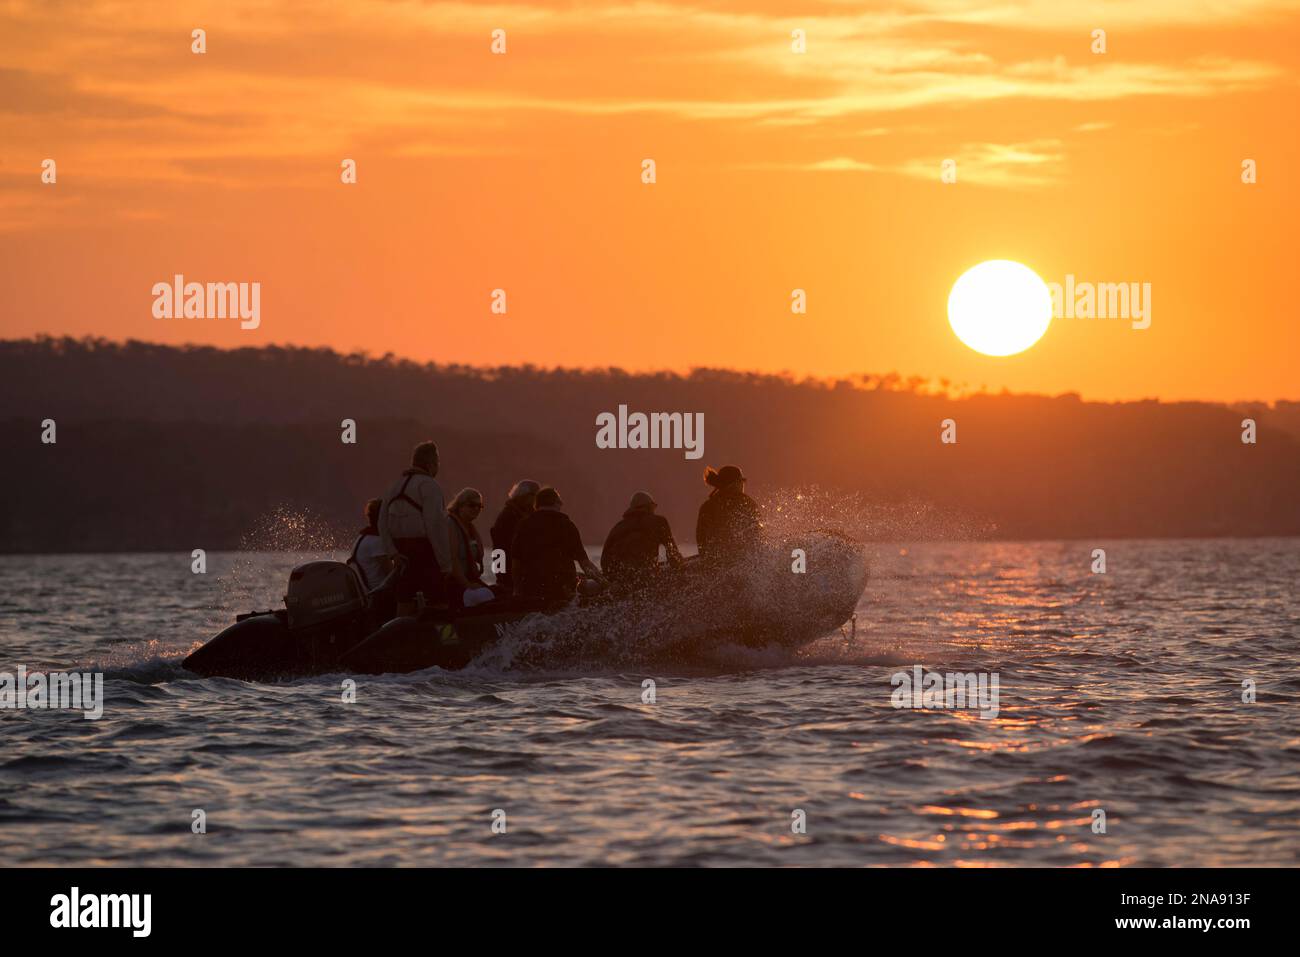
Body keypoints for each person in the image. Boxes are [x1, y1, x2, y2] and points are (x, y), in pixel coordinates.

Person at [378, 440, 452, 611]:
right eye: (437, 463)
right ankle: (443, 636)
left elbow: (382, 524)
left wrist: (393, 553)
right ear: (430, 464)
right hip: (425, 552)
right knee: (439, 602)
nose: (438, 467)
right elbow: (435, 526)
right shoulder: (430, 486)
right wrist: (445, 564)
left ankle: (402, 636)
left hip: (401, 554)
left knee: (404, 601)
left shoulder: (394, 486)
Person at [510, 486, 604, 602]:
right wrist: (604, 583)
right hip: (562, 589)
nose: (562, 503)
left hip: (531, 588)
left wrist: (517, 591)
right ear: (556, 503)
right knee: (591, 585)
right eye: (560, 500)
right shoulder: (567, 525)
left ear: (537, 505)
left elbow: (516, 565)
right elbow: (585, 564)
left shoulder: (523, 525)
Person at [601, 491, 684, 590]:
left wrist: (613, 581)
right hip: (646, 579)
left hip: (621, 581)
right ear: (648, 507)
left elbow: (604, 561)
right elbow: (672, 554)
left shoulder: (618, 527)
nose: (654, 510)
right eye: (654, 507)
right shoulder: (659, 522)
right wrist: (681, 574)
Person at [695, 465, 762, 564]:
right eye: (741, 481)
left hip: (715, 563)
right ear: (734, 484)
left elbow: (701, 540)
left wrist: (707, 561)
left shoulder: (707, 506)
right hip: (741, 562)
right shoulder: (746, 503)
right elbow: (757, 535)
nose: (743, 485)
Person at [447, 487, 495, 608]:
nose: (476, 509)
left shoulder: (470, 528)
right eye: (472, 505)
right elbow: (452, 559)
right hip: (453, 582)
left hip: (469, 579)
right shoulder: (450, 524)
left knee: (498, 594)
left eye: (480, 506)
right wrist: (467, 585)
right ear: (460, 505)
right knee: (485, 596)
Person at [489, 479, 539, 593]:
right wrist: (501, 577)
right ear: (524, 495)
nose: (536, 499)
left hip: (525, 570)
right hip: (510, 569)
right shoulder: (507, 516)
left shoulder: (530, 514)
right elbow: (498, 549)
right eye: (535, 495)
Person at [347, 498, 392, 591]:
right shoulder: (377, 541)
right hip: (378, 593)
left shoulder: (362, 537)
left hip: (366, 591)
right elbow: (390, 573)